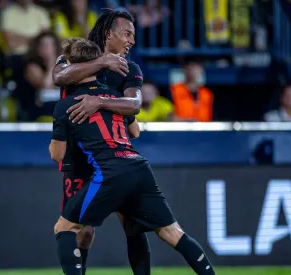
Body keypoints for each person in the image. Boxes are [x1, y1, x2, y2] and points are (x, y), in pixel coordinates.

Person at [50, 38, 216, 275]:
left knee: (65, 228)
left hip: (107, 171)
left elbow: (57, 154)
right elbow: (134, 131)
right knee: (172, 233)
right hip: (138, 166)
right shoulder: (116, 97)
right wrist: (105, 107)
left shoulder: (66, 104)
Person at [52, 9, 150, 275]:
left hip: (113, 155)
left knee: (132, 222)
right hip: (78, 158)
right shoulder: (74, 55)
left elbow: (135, 104)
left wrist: (101, 102)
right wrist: (103, 62)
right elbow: (59, 77)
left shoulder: (130, 69)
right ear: (109, 34)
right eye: (127, 34)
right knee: (81, 231)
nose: (132, 41)